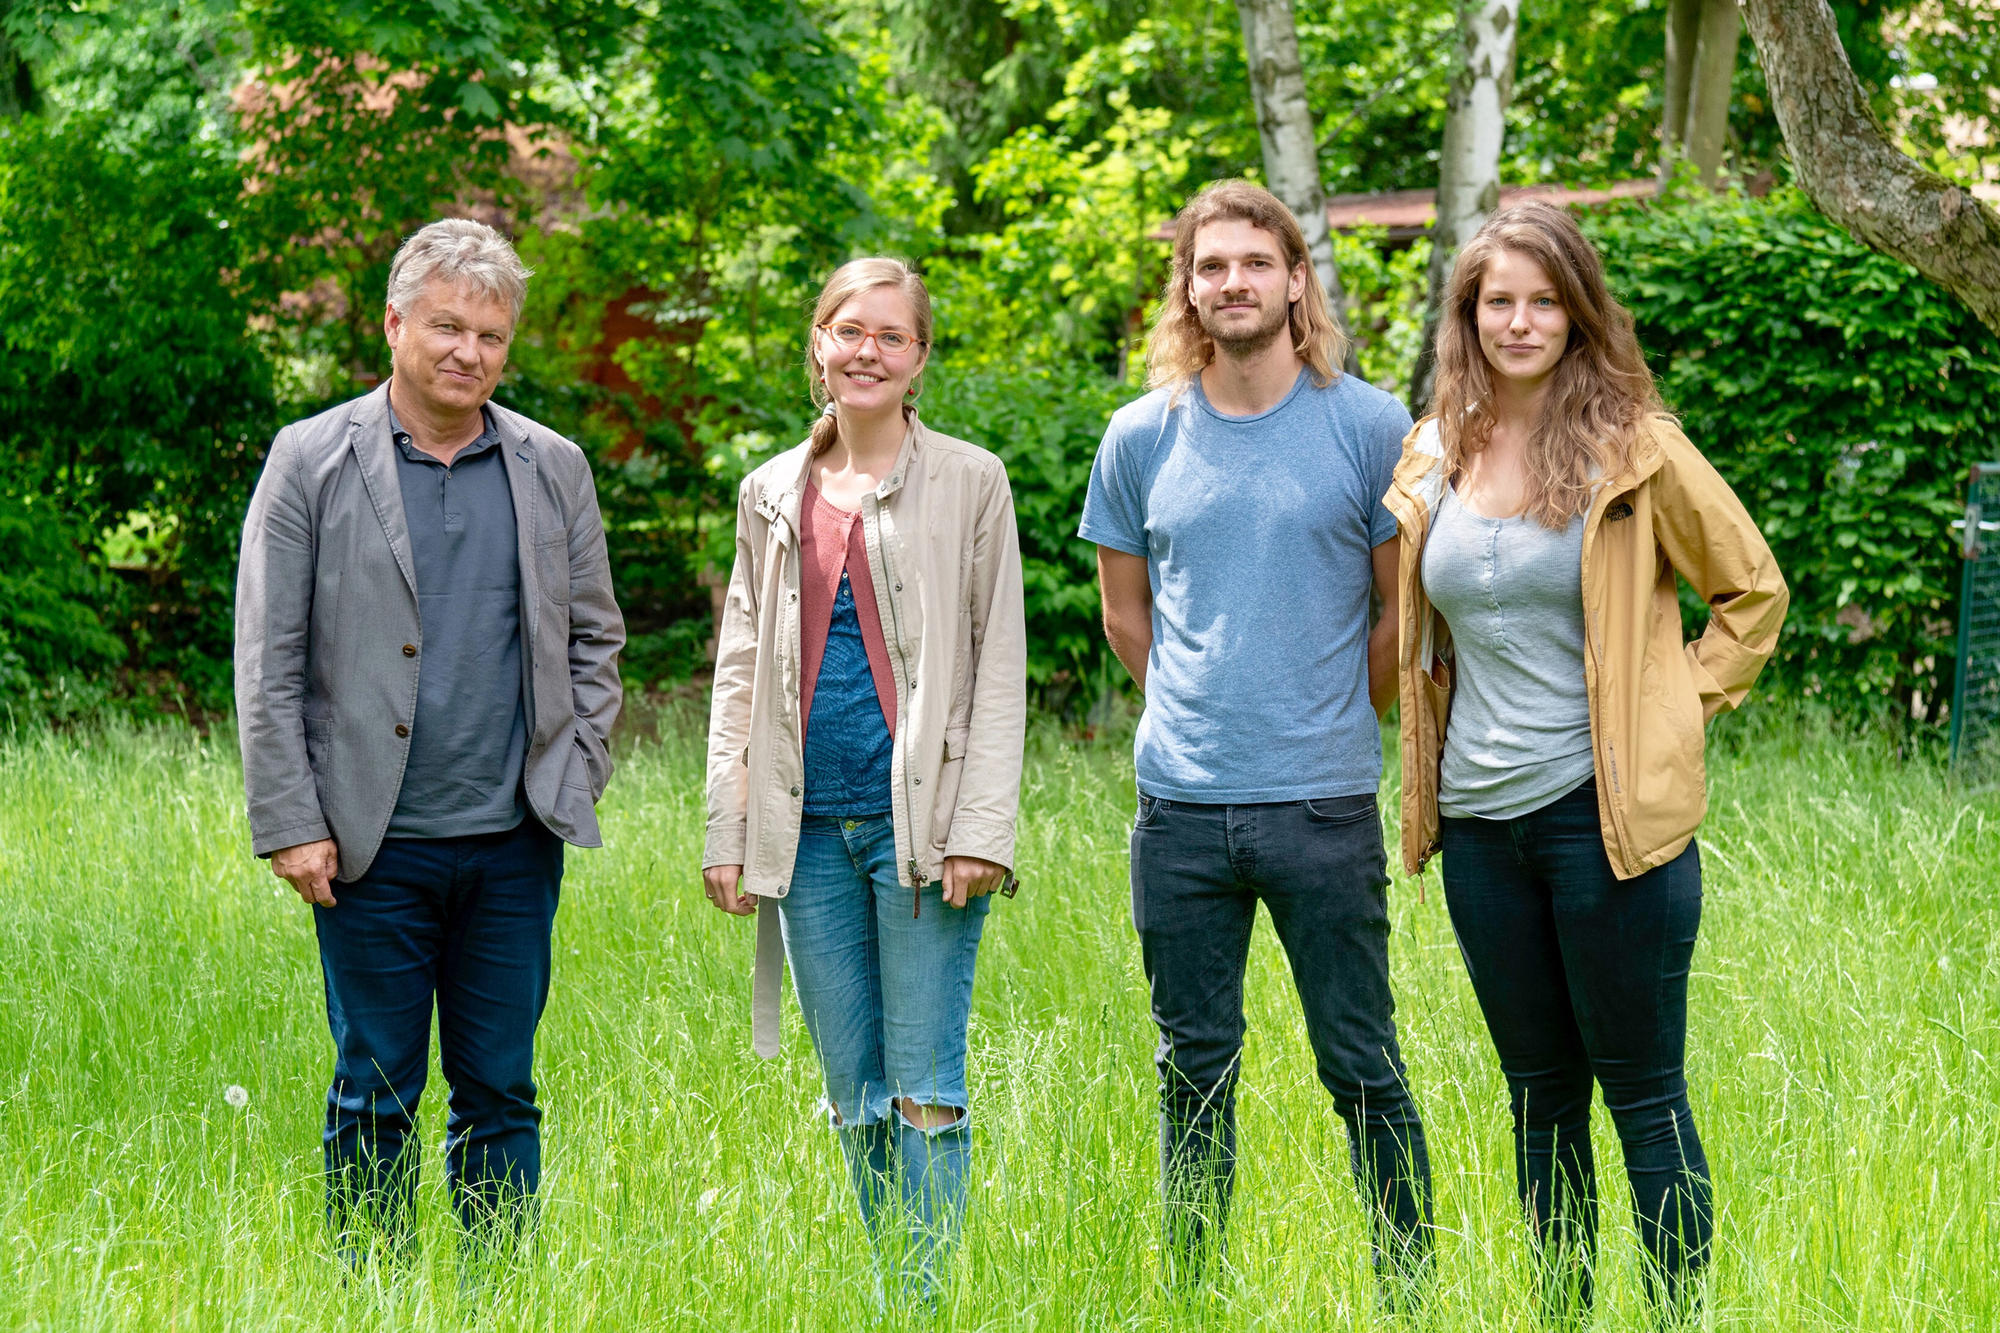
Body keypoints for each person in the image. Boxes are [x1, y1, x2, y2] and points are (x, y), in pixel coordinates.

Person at [1385, 200, 1788, 1319]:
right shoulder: (1431, 450)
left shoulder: (1635, 445)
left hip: (1606, 822)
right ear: (1466, 316)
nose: (1519, 321)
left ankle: (1671, 1316)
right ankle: (1558, 1312)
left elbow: (1752, 592)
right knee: (1538, 1099)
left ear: (1576, 310)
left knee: (1643, 1098)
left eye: (1541, 300)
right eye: (1496, 301)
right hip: (1477, 831)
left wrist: (1675, 707)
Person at [235, 218, 625, 1256]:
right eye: (447, 326)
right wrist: (288, 818)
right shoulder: (310, 459)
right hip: (367, 845)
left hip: (512, 840)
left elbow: (595, 637)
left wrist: (573, 773)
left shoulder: (553, 465)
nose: (468, 352)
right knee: (374, 1090)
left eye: (491, 336)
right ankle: (375, 1297)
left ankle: (501, 1296)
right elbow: (266, 655)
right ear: (395, 323)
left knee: (501, 1088)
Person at [1080, 180, 1433, 1290]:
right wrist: (1194, 707)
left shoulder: (1369, 426)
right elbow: (1124, 615)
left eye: (1252, 262)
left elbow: (1398, 614)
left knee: (1360, 1063)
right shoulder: (1140, 436)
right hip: (1177, 809)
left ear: (1293, 279)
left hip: (1322, 805)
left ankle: (1408, 1287)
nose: (1231, 282)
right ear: (1186, 288)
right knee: (1189, 1068)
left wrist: (1324, 713)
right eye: (1209, 266)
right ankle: (1192, 1290)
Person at [701, 257, 1027, 1300]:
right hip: (802, 833)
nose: (867, 352)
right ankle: (894, 1287)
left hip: (923, 830)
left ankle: (921, 1304)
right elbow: (741, 663)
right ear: (818, 345)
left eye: (891, 336)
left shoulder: (971, 480)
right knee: (853, 1094)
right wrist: (728, 824)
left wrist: (982, 824)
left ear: (919, 358)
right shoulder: (769, 492)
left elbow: (998, 656)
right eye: (849, 331)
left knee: (925, 1087)